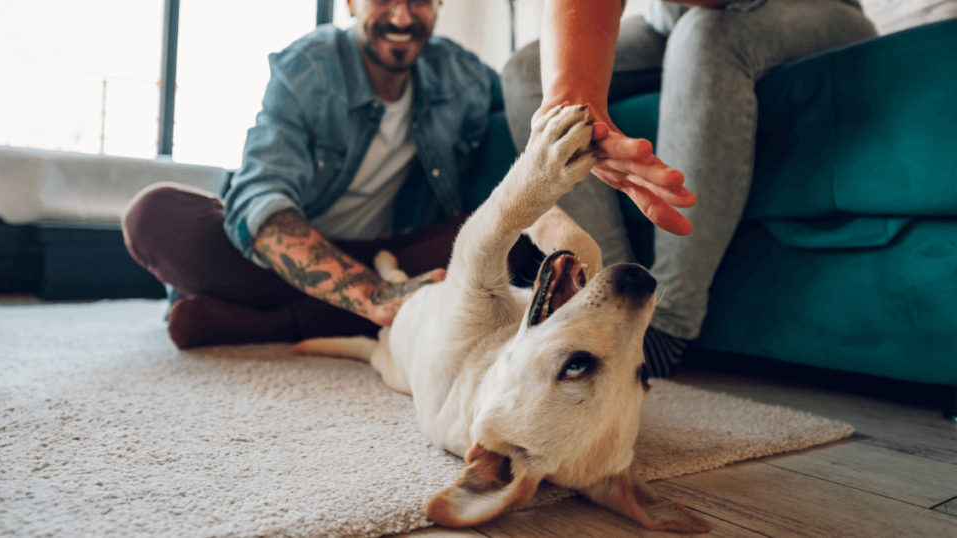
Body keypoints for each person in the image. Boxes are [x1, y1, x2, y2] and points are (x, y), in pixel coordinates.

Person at [502, 0, 877, 376]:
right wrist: (573, 95)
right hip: (667, 23)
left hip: (808, 10)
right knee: (526, 73)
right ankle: (614, 306)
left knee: (705, 32)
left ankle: (667, 322)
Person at [122, 0, 514, 349]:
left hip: (392, 255)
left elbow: (525, 139)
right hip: (287, 260)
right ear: (350, 3)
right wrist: (374, 295)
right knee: (153, 215)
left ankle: (269, 324)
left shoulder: (464, 75)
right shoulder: (308, 67)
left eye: (418, 1)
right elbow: (259, 198)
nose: (400, 16)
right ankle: (351, 318)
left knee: (518, 237)